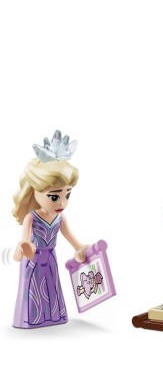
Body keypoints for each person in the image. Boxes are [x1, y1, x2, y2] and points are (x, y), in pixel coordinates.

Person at [12, 131, 88, 328]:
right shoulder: (31, 218)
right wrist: (23, 249)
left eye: (67, 195)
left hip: (51, 258)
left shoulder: (60, 218)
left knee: (52, 285)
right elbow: (24, 243)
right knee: (34, 288)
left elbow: (72, 238)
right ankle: (32, 319)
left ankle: (54, 317)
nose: (62, 202)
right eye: (54, 197)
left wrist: (81, 249)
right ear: (35, 191)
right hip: (34, 259)